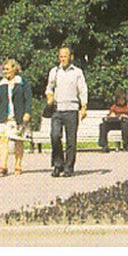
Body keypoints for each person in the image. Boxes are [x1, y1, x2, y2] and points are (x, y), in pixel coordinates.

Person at [44, 46, 88, 177]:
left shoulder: (77, 72)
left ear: (71, 57)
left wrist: (84, 107)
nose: (62, 58)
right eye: (61, 56)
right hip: (57, 109)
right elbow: (49, 88)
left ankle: (69, 167)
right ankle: (58, 164)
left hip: (72, 109)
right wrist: (49, 96)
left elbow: (83, 90)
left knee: (71, 140)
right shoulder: (54, 71)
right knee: (55, 136)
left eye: (65, 56)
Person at [0, 59, 31, 177]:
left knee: (18, 140)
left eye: (7, 69)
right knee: (3, 140)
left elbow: (28, 98)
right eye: (4, 69)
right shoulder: (1, 84)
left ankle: (18, 165)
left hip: (18, 116)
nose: (5, 72)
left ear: (14, 69)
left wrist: (27, 112)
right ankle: (3, 166)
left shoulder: (22, 82)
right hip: (4, 117)